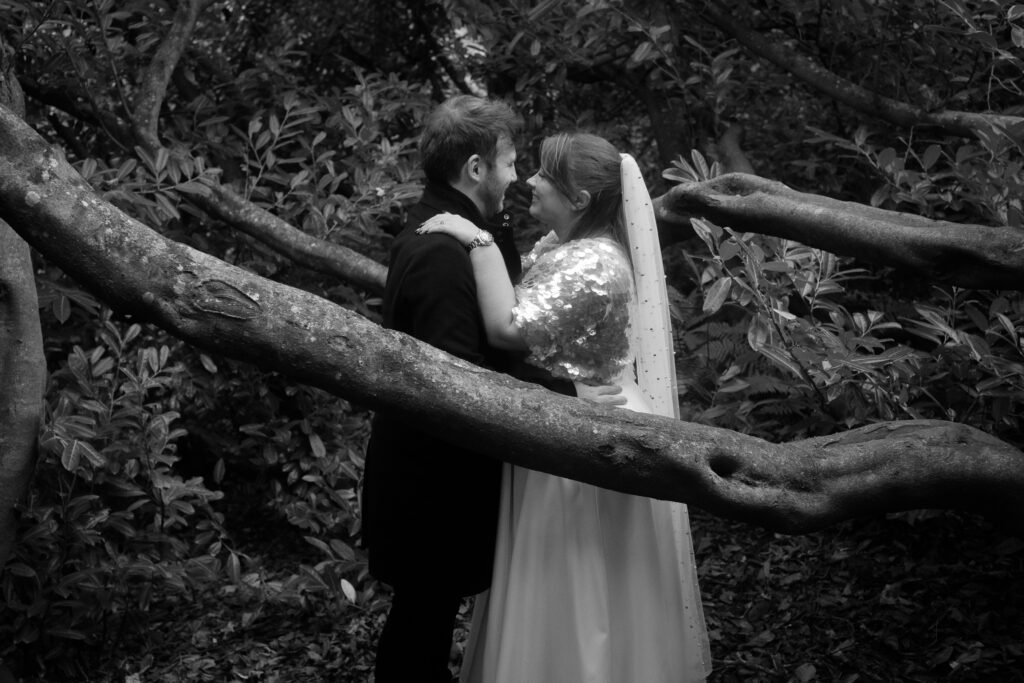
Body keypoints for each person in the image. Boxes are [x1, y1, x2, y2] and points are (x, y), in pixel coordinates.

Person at [419, 132, 713, 682]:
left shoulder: (594, 263)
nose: (530, 180)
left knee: (583, 577)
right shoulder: (562, 248)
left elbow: (510, 329)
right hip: (562, 413)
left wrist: (476, 241)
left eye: (546, 176)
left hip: (587, 434)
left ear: (578, 199)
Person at [361, 98, 621, 683]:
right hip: (429, 486)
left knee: (425, 621)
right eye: (508, 163)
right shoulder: (440, 250)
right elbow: (458, 378)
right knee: (419, 628)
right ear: (476, 169)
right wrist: (562, 396)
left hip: (442, 479)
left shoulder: (462, 235)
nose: (518, 177)